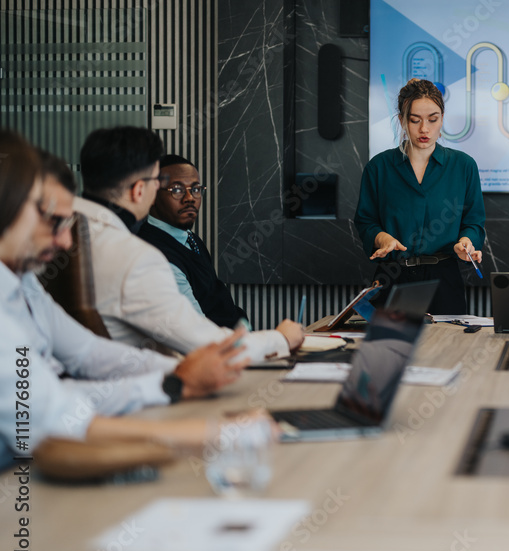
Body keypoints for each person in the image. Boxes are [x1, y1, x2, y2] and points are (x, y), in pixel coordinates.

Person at [0, 130, 245, 471]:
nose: (66, 240)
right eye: (52, 219)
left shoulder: (21, 281)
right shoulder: (138, 254)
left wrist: (178, 373)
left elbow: (86, 353)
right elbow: (51, 416)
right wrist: (175, 387)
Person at [75, 126, 304, 359]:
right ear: (140, 190)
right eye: (158, 183)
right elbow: (205, 346)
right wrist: (280, 339)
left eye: (196, 189)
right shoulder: (140, 258)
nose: (189, 198)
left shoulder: (71, 236)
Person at [354, 79, 486, 314]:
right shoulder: (379, 167)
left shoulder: (463, 166)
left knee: (446, 349)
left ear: (442, 119)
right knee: (391, 349)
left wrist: (465, 242)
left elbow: (473, 221)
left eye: (433, 120)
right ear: (401, 121)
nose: (424, 129)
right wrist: (382, 238)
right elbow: (366, 221)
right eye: (415, 120)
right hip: (393, 277)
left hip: (444, 280)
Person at [138, 154, 250, 329]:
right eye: (177, 190)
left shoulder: (189, 237)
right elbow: (198, 330)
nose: (190, 198)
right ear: (152, 196)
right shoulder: (158, 256)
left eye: (196, 189)